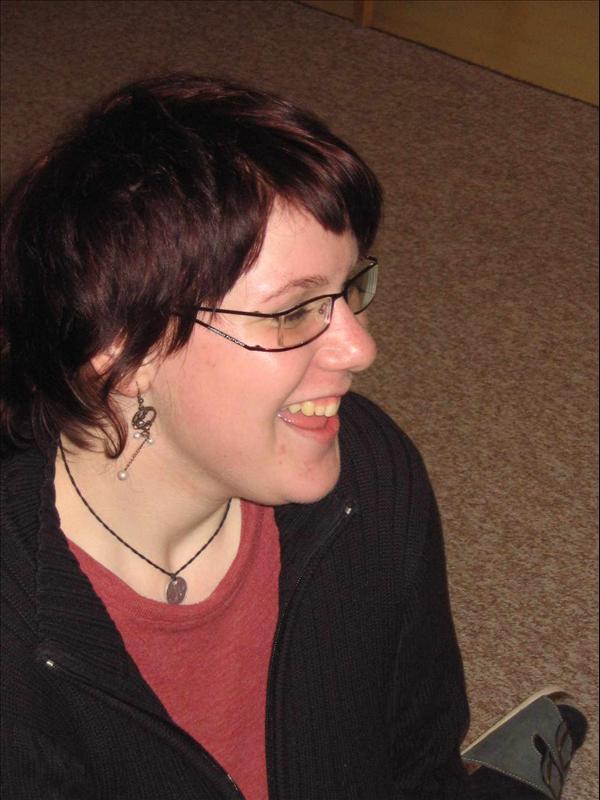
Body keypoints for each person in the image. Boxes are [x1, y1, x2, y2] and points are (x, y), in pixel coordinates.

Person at [0, 73, 586, 800]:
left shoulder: (369, 469)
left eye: (347, 291)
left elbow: (417, 763)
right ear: (125, 352)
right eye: (291, 311)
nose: (360, 347)